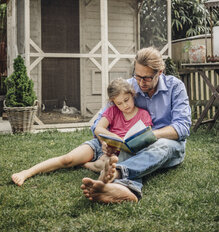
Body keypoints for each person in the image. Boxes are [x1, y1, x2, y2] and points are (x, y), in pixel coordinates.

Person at [81, 47, 192, 203]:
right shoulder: (128, 87)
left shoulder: (175, 87)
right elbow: (98, 124)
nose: (140, 82)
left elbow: (183, 126)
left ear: (160, 72)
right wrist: (105, 140)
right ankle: (126, 190)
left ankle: (117, 174)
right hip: (133, 147)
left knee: (161, 145)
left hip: (167, 145)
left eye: (146, 78)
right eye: (137, 76)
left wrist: (153, 135)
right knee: (129, 149)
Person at [11, 78, 152, 186]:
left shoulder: (143, 115)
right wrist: (106, 141)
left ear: (132, 94)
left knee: (106, 165)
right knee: (67, 159)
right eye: (119, 103)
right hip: (100, 145)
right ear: (113, 103)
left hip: (119, 155)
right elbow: (99, 129)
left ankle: (86, 164)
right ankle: (27, 172)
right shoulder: (113, 111)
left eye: (126, 100)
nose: (124, 106)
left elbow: (144, 139)